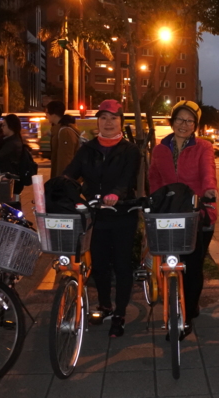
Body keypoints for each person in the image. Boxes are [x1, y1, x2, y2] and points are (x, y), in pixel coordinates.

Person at [63, 99, 140, 338]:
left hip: (122, 214)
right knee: (99, 264)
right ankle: (105, 305)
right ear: (97, 122)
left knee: (122, 264)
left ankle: (120, 314)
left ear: (121, 122)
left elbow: (127, 179)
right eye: (103, 117)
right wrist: (61, 190)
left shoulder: (130, 150)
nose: (108, 122)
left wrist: (116, 194)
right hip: (95, 215)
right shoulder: (87, 150)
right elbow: (70, 175)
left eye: (113, 118)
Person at [148, 100, 219, 340]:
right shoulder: (160, 149)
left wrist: (209, 191)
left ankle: (187, 314)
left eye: (190, 121)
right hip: (169, 213)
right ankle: (174, 300)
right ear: (172, 121)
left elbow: (208, 172)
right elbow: (155, 178)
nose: (184, 124)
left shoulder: (203, 147)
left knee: (193, 267)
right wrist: (154, 200)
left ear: (195, 126)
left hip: (197, 212)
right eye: (180, 119)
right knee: (171, 263)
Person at [0, 114, 24, 208]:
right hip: (10, 181)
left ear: (10, 127)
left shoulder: (12, 143)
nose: (2, 128)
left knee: (10, 207)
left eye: (4, 125)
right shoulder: (11, 141)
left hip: (10, 182)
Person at [46, 100, 81, 178]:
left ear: (54, 114)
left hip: (65, 180)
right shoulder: (59, 130)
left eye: (47, 113)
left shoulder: (65, 132)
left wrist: (62, 181)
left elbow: (65, 161)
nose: (46, 115)